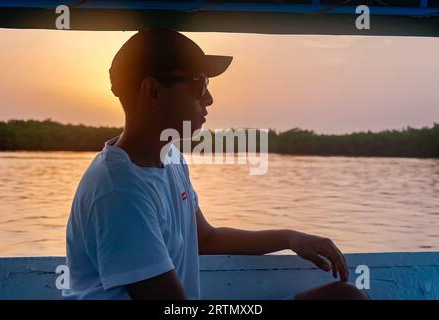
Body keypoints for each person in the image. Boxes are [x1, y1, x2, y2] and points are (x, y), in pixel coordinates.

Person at [64, 28, 369, 300]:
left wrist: (289, 237)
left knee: (344, 297)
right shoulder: (119, 191)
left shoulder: (169, 159)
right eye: (199, 84)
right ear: (153, 92)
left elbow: (205, 239)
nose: (208, 99)